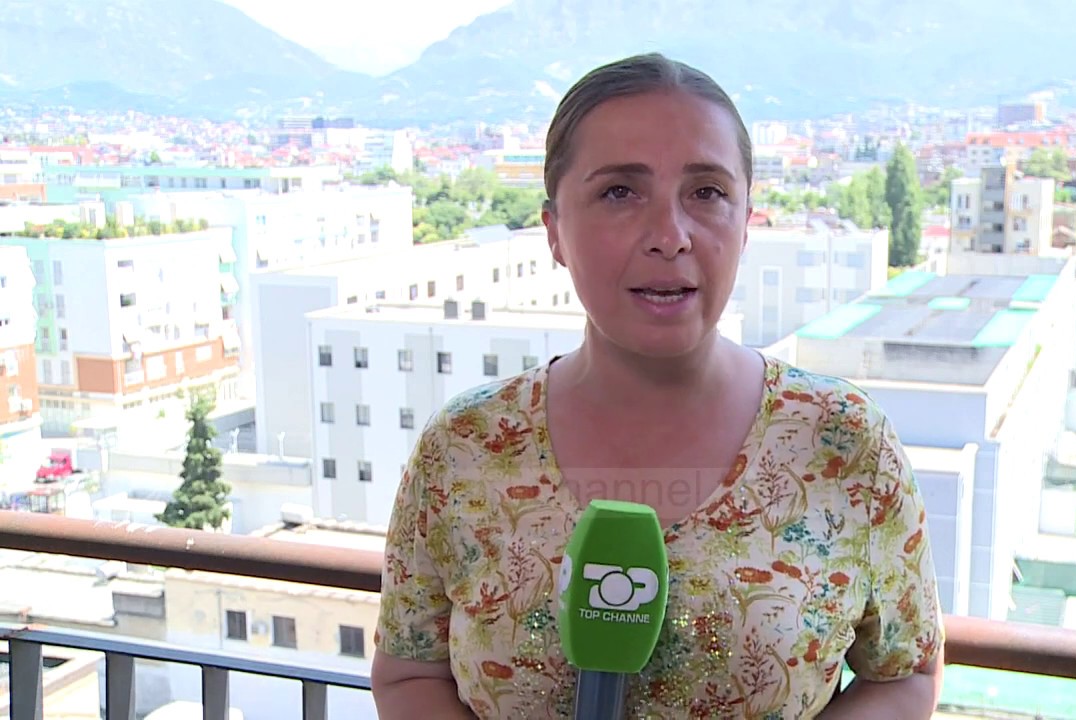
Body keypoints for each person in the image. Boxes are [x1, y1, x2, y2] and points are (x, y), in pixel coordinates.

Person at [371, 52, 944, 719]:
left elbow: (905, 674)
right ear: (555, 231)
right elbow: (409, 673)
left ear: (746, 221)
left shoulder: (844, 441)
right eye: (620, 192)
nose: (670, 236)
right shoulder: (466, 447)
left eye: (707, 192)